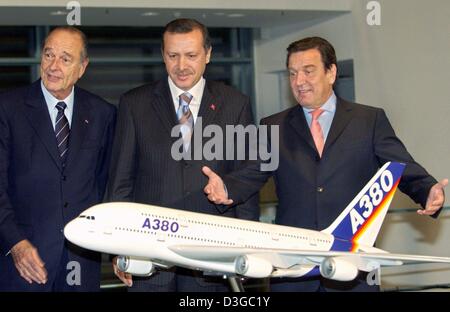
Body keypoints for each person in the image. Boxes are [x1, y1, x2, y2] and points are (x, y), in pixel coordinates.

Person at [202, 36, 447, 292]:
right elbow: (254, 171)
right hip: (292, 267)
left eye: (308, 71)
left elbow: (399, 164)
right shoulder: (273, 125)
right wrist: (227, 188)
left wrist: (427, 190)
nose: (299, 82)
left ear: (331, 72)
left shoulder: (368, 120)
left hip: (350, 266)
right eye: (293, 73)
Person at [105, 18, 259, 292]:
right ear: (163, 55)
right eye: (173, 55)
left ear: (208, 55)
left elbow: (247, 179)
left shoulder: (236, 103)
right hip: (149, 257)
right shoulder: (133, 103)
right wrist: (119, 247)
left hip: (213, 259)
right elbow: (121, 183)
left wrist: (249, 249)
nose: (181, 66)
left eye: (191, 55)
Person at [0, 27, 116, 291]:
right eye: (48, 55)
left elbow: (105, 188)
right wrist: (15, 243)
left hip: (82, 262)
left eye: (65, 59)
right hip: (23, 263)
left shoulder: (103, 114)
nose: (53, 66)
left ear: (82, 67)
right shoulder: (7, 109)